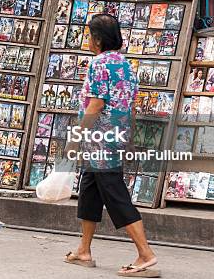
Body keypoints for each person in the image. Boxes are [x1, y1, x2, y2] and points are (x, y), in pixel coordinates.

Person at [64, 14, 159, 277]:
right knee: (89, 191)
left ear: (97, 39)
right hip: (115, 138)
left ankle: (145, 254)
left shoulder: (98, 64)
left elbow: (96, 104)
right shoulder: (126, 64)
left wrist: (75, 137)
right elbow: (130, 105)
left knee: (115, 194)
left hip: (101, 142)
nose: (87, 40)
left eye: (88, 35)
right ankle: (84, 250)